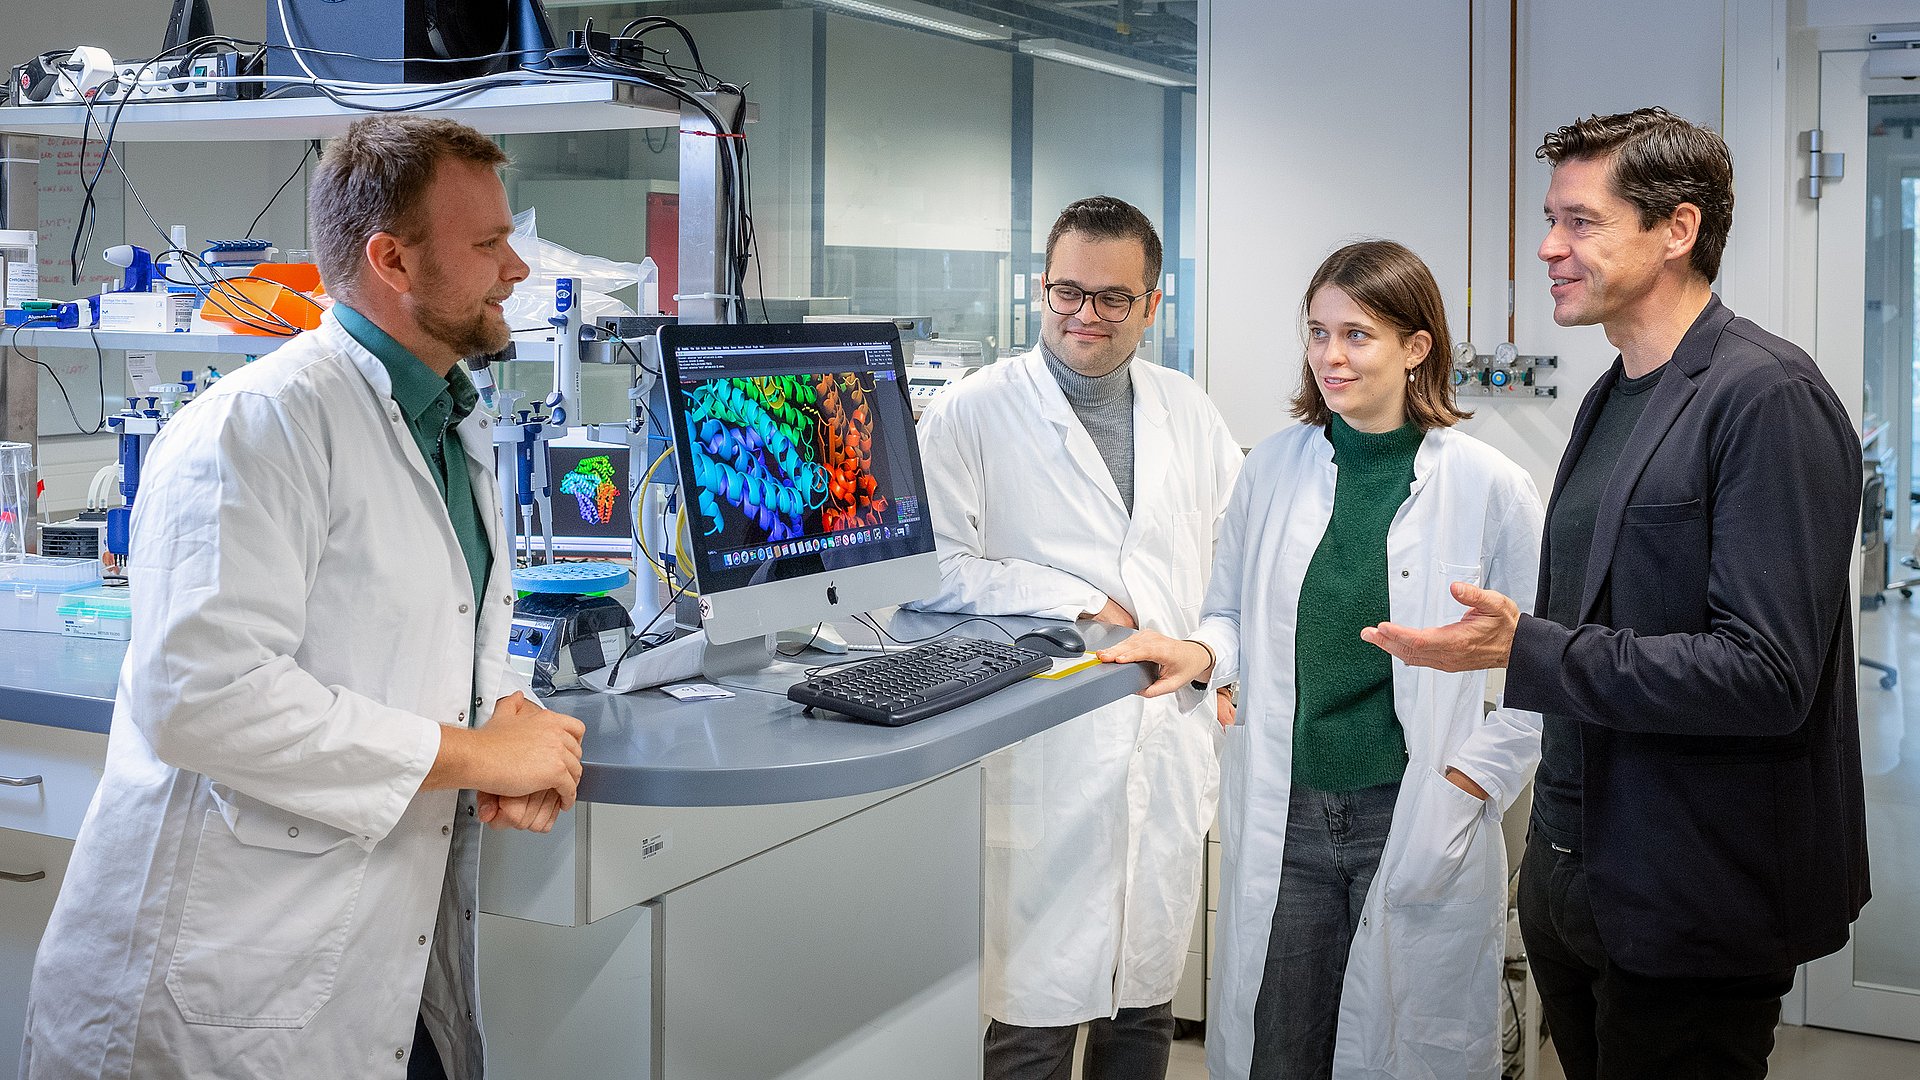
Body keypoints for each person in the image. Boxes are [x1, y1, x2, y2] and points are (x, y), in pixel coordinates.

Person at [20, 116, 587, 1080]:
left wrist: (506, 710)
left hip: (369, 963)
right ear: (392, 260)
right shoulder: (254, 428)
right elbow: (203, 698)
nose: (517, 269)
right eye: (490, 244)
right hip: (215, 996)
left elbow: (425, 626)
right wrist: (480, 753)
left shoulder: (449, 421)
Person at [1362, 107, 1870, 1080]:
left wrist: (1526, 648)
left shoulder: (1767, 396)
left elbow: (1766, 675)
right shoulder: (1614, 393)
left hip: (1693, 896)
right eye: (1551, 220)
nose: (1548, 247)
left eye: (1580, 222)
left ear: (1677, 229)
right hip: (1576, 880)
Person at [1101, 240, 1544, 1080]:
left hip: (1411, 805)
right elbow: (1230, 612)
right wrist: (1199, 651)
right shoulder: (1271, 468)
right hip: (1291, 806)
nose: (1330, 356)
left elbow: (1542, 672)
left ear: (1416, 347)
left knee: (1400, 1047)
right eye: (1317, 332)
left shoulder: (1489, 486)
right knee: (1283, 1047)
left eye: (1357, 335)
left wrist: (1468, 784)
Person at [909, 195, 1242, 1080]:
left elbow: (1234, 567)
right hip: (1045, 751)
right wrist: (1076, 596)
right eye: (1067, 292)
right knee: (1032, 1019)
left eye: (1113, 297)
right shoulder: (973, 412)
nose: (1085, 314)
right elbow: (928, 571)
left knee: (1145, 1006)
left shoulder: (1187, 410)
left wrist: (1218, 661)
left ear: (1152, 303)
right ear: (1041, 287)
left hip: (1164, 736)